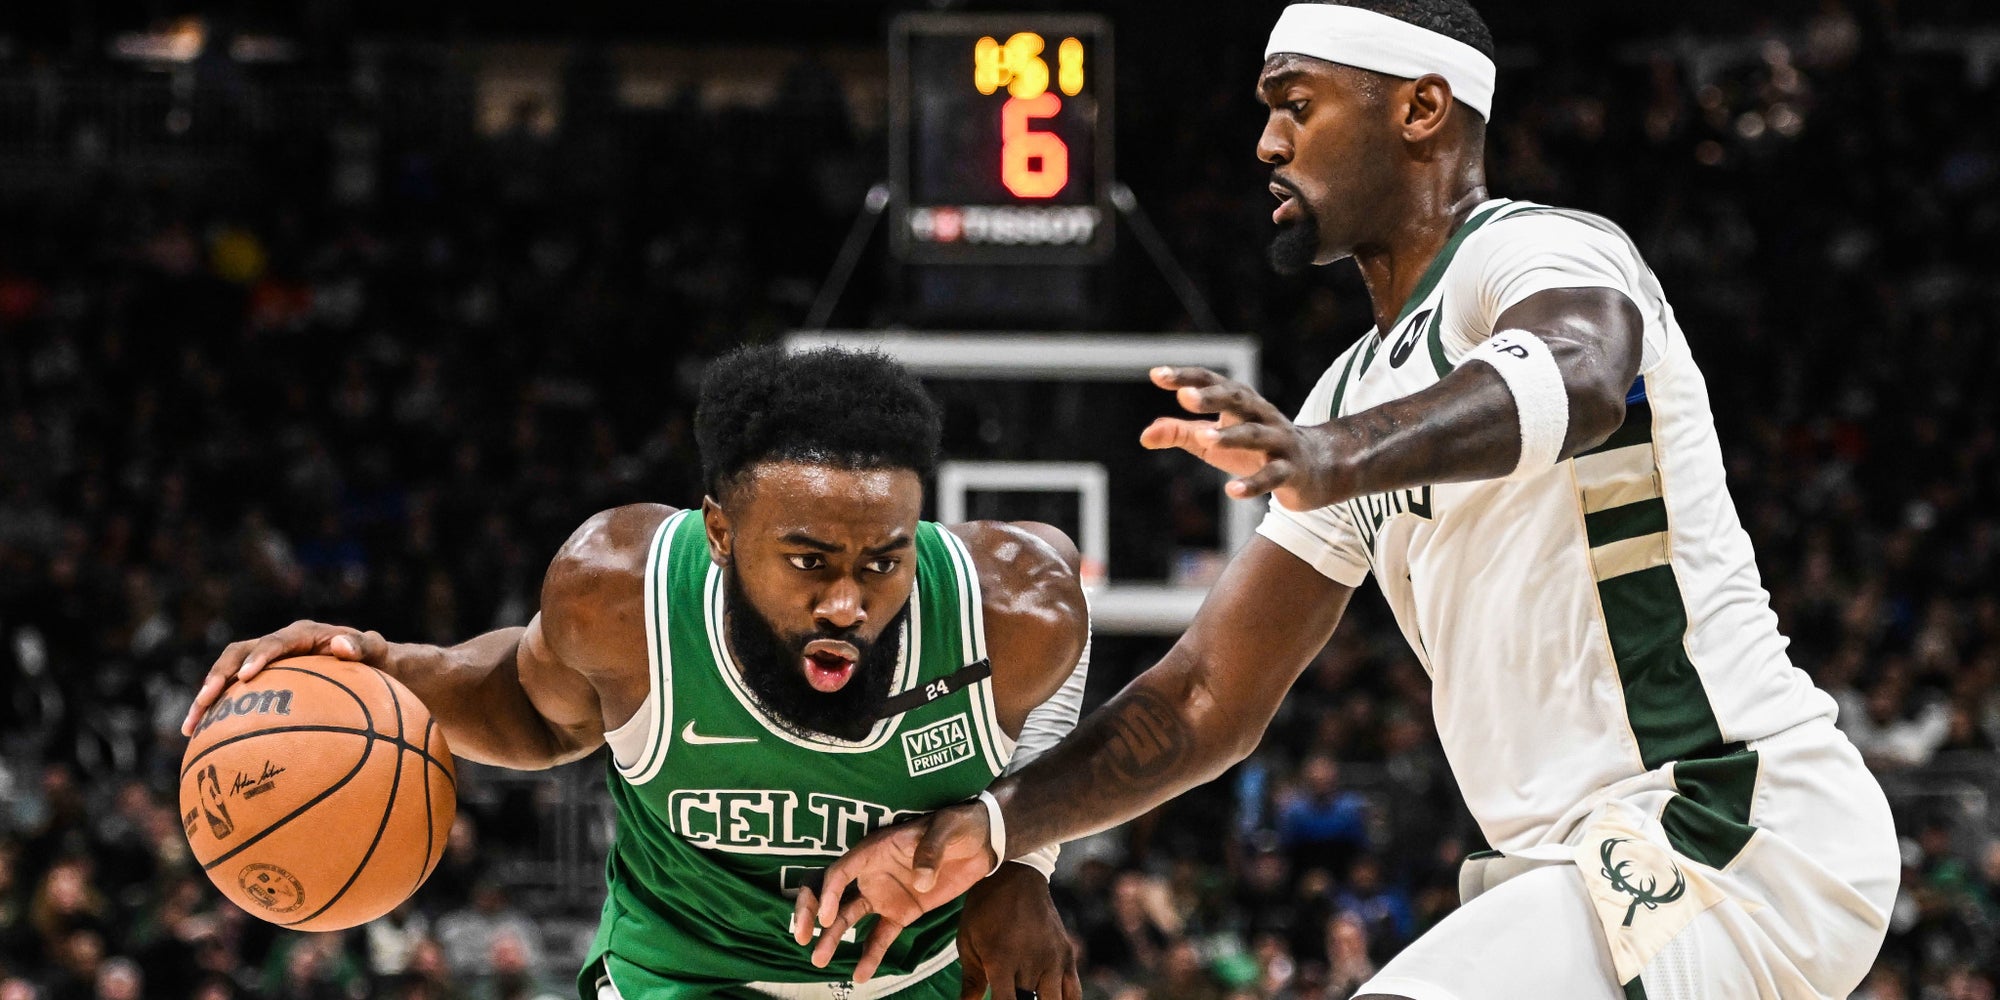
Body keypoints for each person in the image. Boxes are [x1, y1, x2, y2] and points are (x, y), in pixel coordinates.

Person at [802, 2, 1899, 998]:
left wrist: (1329, 454)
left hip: (1729, 818)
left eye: (1297, 105)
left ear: (1421, 109)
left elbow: (1579, 375)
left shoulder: (1534, 248)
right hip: (1592, 861)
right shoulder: (1350, 387)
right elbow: (1201, 702)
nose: (1265, 143)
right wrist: (993, 829)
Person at [182, 346, 1092, 1000]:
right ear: (721, 534)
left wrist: (1023, 861)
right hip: (681, 974)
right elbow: (532, 710)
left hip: (924, 976)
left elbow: (1072, 665)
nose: (848, 603)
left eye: (881, 561)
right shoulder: (623, 594)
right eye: (809, 562)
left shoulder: (1008, 607)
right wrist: (385, 669)